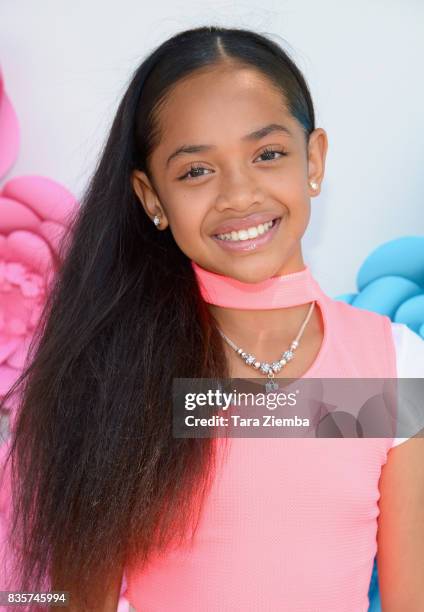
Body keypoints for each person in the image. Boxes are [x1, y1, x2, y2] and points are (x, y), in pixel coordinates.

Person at [1, 25, 424, 611]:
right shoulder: (121, 371)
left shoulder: (391, 366)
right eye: (197, 171)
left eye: (267, 154)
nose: (238, 194)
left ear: (315, 159)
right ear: (152, 199)